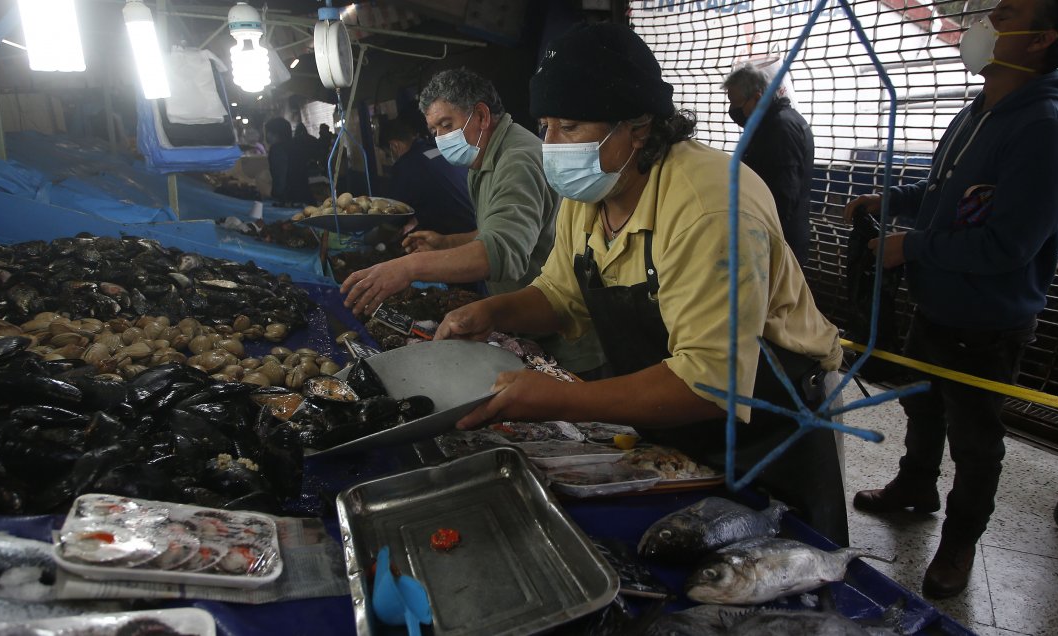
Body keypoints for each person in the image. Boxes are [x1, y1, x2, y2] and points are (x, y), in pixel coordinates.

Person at [433, 23, 849, 544]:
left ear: (639, 127)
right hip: (673, 426)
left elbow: (709, 380)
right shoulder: (591, 195)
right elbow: (562, 296)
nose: (550, 146)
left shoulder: (710, 207)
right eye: (546, 126)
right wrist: (493, 314)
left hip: (772, 430)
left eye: (569, 126)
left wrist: (560, 398)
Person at [844, 0, 1058, 600]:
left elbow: (1008, 243)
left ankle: (959, 544)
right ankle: (915, 487)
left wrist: (914, 248)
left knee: (975, 439)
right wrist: (894, 203)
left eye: (1007, 13)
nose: (986, 21)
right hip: (938, 307)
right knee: (923, 409)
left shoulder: (1046, 129)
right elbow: (948, 190)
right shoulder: (981, 108)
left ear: (1039, 40)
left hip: (988, 322)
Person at [341, 68, 605, 376]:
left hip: (565, 342)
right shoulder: (484, 157)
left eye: (446, 124)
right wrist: (447, 243)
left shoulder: (516, 161)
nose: (440, 138)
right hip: (527, 325)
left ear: (480, 115)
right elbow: (502, 229)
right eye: (434, 130)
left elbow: (502, 250)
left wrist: (409, 268)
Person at [722, 61, 816, 265]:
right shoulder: (775, 122)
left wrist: (763, 240)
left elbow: (783, 195)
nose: (734, 111)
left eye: (738, 104)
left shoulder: (780, 129)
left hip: (780, 241)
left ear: (757, 98)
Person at [376, 114, 477, 236]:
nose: (390, 159)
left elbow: (393, 217)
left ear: (394, 146)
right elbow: (439, 194)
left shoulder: (405, 166)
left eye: (388, 154)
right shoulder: (438, 148)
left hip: (457, 237)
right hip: (479, 224)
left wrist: (372, 238)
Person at [264, 117, 312, 205]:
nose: (267, 135)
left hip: (290, 201)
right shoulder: (297, 146)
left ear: (275, 133)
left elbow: (280, 177)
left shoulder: (276, 149)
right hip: (305, 197)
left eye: (268, 132)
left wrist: (276, 196)